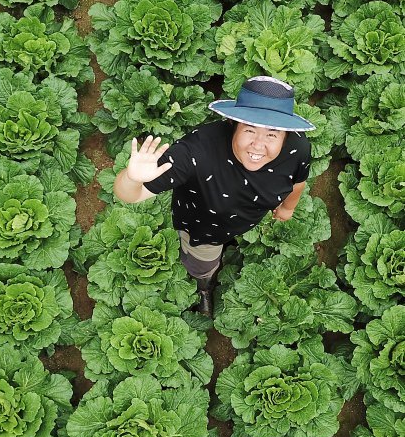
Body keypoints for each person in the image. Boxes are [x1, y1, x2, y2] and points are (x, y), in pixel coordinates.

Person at [113, 76, 315, 316]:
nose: (258, 145)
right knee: (203, 264)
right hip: (203, 228)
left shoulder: (297, 149)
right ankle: (203, 286)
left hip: (246, 218)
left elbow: (298, 182)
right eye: (250, 129)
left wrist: (287, 208)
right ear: (233, 123)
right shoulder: (196, 153)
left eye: (272, 134)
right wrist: (132, 178)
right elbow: (130, 196)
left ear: (286, 135)